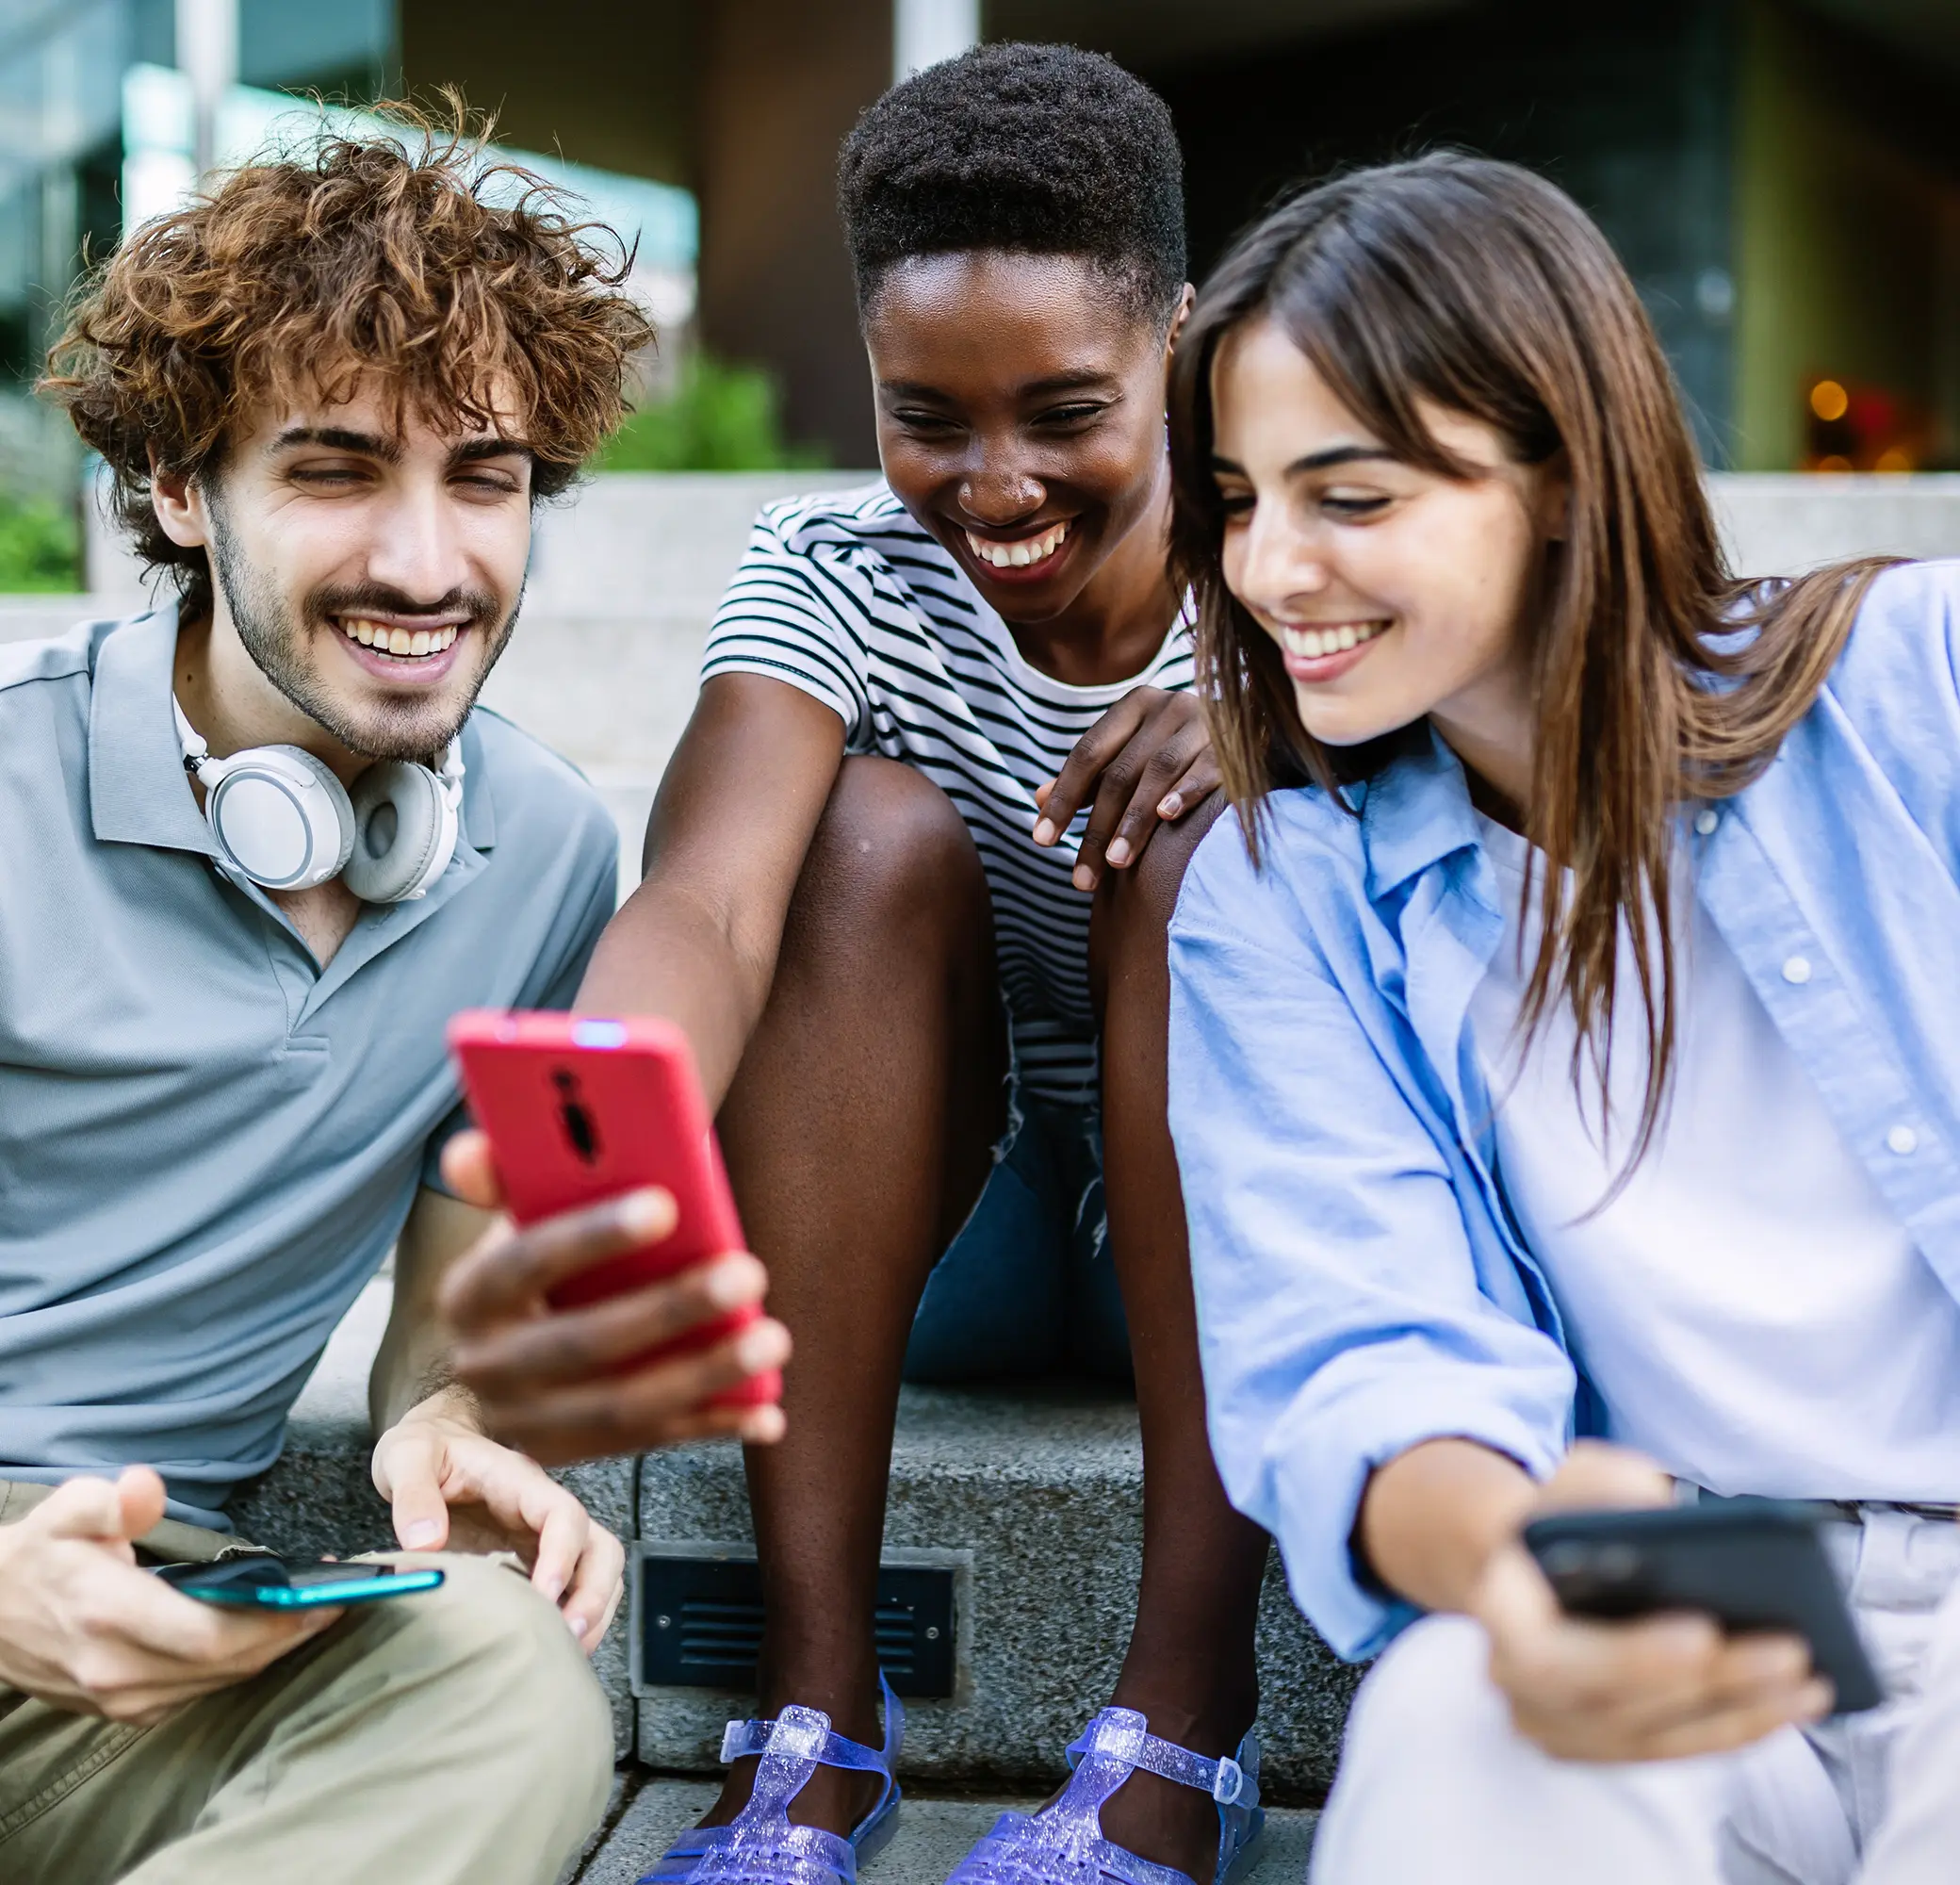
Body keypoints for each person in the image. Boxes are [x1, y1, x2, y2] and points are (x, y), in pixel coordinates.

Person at [440, 44, 1271, 1885]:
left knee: (1205, 821)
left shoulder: (1292, 549)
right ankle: (811, 1722)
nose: (993, 483)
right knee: (859, 831)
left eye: (1064, 408)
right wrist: (594, 1111)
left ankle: (1179, 1725)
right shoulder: (829, 563)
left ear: (1182, 341)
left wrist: (1270, 728)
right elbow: (714, 900)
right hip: (932, 1226)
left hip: (1227, 1234)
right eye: (929, 414)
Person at [2, 116, 788, 1884]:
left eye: (486, 477)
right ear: (184, 491)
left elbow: (446, 1300)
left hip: (150, 1637)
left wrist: (445, 1419)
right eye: (339, 469)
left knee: (507, 1678)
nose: (430, 567)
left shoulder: (536, 851)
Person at [1161, 149, 1960, 1885]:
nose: (1267, 569)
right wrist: (1515, 1554)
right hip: (1664, 1565)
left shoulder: (1920, 688)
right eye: (1236, 498)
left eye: (1349, 497)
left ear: (1558, 475)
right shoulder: (1284, 895)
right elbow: (1351, 1345)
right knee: (1462, 1721)